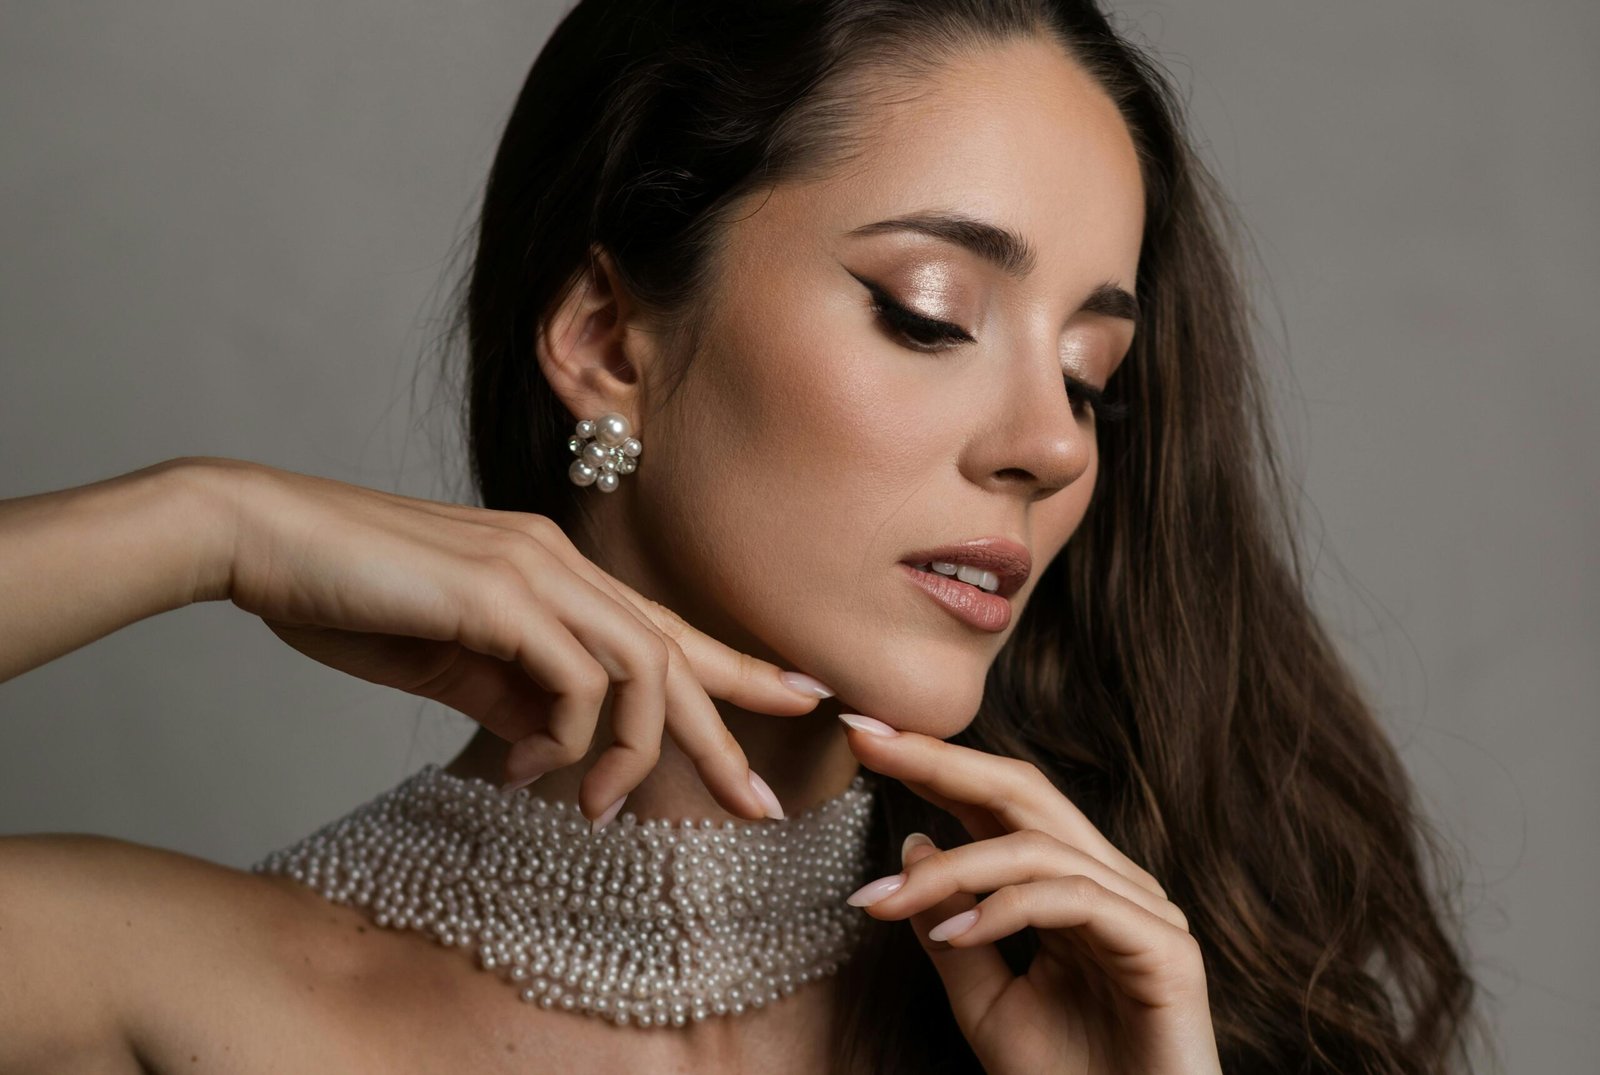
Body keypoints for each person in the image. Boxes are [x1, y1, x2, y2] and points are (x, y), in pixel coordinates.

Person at [0, 1, 1487, 1072]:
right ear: (607, 339)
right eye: (932, 316)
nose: (1049, 445)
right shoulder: (154, 990)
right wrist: (201, 522)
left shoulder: (1126, 1012)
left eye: (1093, 377)